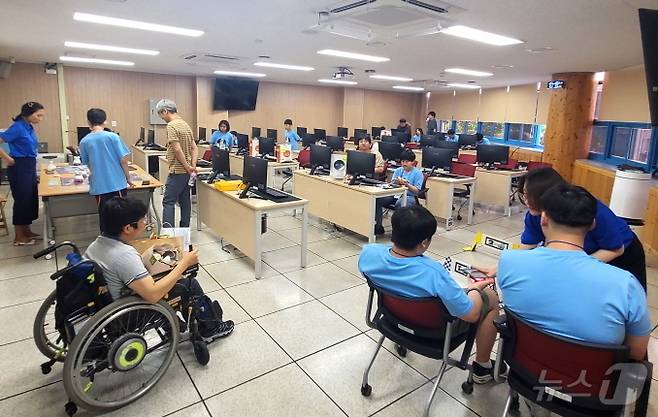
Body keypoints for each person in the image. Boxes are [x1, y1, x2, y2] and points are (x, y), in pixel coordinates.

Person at [494, 184, 650, 416]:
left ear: (543, 218)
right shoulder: (625, 284)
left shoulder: (509, 261)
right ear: (593, 224)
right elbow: (636, 353)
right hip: (596, 390)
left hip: (526, 370)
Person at [359, 205, 502, 383]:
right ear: (424, 242)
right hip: (435, 332)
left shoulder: (368, 253)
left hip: (391, 318)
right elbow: (471, 315)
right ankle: (483, 367)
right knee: (491, 297)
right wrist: (475, 289)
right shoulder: (434, 273)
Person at [85, 197, 234, 341]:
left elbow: (127, 269)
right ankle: (211, 329)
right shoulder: (123, 255)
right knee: (189, 284)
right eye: (142, 220)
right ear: (128, 228)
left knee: (168, 273)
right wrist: (185, 264)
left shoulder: (96, 245)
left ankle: (175, 324)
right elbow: (153, 295)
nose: (145, 223)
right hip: (127, 315)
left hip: (107, 307)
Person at [476, 167, 647, 289]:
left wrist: (576, 267)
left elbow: (615, 249)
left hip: (622, 254)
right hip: (583, 258)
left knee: (626, 298)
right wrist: (499, 268)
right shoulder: (534, 215)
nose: (526, 201)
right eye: (523, 194)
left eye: (530, 196)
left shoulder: (590, 209)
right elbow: (526, 248)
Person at [79, 108, 133, 232]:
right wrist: (128, 178)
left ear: (88, 122)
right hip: (117, 184)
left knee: (104, 216)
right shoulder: (113, 137)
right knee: (121, 216)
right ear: (105, 121)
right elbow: (123, 160)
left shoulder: (84, 141)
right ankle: (120, 241)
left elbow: (88, 164)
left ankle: (105, 240)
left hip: (99, 186)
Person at [0, 102, 44, 246]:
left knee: (30, 199)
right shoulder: (18, 127)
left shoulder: (29, 126)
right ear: (28, 114)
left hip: (28, 165)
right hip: (19, 166)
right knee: (21, 200)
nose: (40, 118)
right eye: (38, 115)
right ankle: (19, 237)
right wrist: (7, 158)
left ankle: (27, 231)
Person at [156, 99, 198, 228]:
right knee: (185, 201)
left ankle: (169, 234)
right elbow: (194, 148)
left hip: (177, 171)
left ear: (165, 111)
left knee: (168, 202)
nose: (162, 118)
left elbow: (177, 149)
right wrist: (192, 167)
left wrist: (186, 167)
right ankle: (184, 231)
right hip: (186, 173)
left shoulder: (171, 126)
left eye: (161, 115)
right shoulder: (185, 125)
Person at [374, 149, 423, 235]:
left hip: (409, 196)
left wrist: (407, 184)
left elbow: (417, 191)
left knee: (400, 204)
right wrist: (396, 182)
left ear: (413, 162)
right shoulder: (398, 170)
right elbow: (391, 184)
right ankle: (378, 226)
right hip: (395, 194)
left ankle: (398, 230)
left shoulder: (418, 173)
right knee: (378, 200)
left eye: (407, 161)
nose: (404, 164)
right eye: (402, 161)